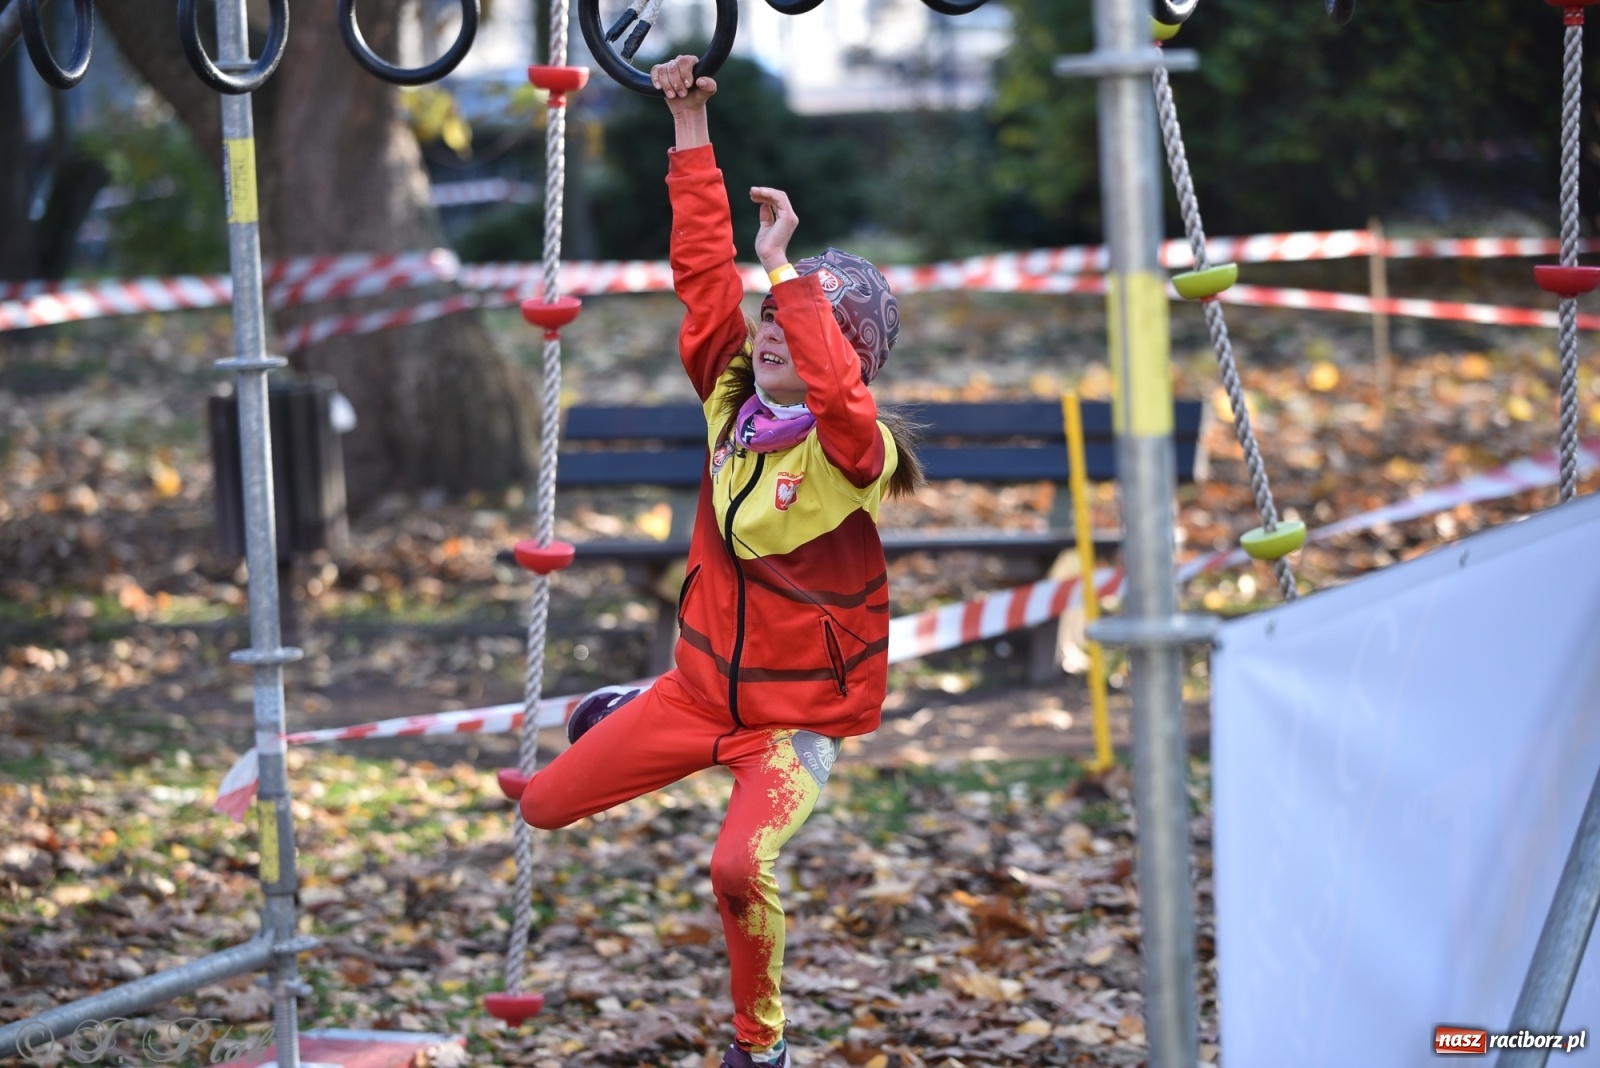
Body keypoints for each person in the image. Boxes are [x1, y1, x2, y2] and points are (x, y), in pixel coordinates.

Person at [519, 53, 921, 1068]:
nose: (779, 333)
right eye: (778, 320)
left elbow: (835, 396)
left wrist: (788, 273)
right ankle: (621, 706)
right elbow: (702, 275)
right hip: (700, 693)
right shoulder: (729, 399)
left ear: (846, 351)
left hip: (790, 729)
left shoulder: (853, 453)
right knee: (541, 805)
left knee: (738, 867)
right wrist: (689, 130)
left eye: (807, 325)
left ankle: (761, 1044)